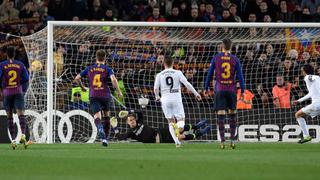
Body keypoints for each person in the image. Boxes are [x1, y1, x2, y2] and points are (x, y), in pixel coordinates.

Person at [74, 49, 123, 147]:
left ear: (96, 57)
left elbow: (77, 78)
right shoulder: (107, 69)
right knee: (107, 117)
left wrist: (82, 87)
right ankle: (105, 140)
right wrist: (118, 91)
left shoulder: (89, 68)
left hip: (94, 95)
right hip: (105, 95)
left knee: (97, 117)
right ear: (105, 58)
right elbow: (114, 80)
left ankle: (100, 130)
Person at [204, 38, 245, 149]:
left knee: (221, 115)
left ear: (222, 46)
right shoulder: (235, 59)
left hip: (220, 89)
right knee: (232, 115)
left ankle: (222, 141)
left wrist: (206, 87)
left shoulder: (216, 58)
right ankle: (232, 140)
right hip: (231, 90)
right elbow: (240, 76)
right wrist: (243, 90)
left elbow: (209, 73)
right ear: (231, 47)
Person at [154, 56, 202, 148]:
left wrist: (157, 96)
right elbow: (187, 84)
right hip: (176, 98)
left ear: (164, 64)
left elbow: (156, 88)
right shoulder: (178, 72)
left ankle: (177, 142)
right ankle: (177, 129)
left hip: (165, 99)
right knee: (181, 121)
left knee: (170, 121)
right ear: (173, 64)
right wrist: (196, 94)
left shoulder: (159, 74)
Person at [116, 110, 211, 143]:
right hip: (160, 140)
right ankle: (199, 134)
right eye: (130, 121)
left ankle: (196, 126)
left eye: (133, 119)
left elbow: (140, 112)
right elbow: (120, 137)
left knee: (178, 129)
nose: (132, 121)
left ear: (135, 120)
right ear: (128, 123)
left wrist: (129, 112)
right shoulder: (131, 133)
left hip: (160, 132)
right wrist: (115, 128)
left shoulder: (139, 122)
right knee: (179, 137)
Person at [0, 46, 29, 150]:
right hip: (18, 91)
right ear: (15, 54)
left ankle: (13, 140)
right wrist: (18, 84)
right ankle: (24, 135)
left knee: (10, 117)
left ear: (6, 54)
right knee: (21, 114)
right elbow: (26, 78)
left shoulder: (2, 65)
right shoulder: (20, 64)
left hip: (7, 92)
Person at [293, 64, 320, 144]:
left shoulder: (307, 77)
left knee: (298, 115)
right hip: (317, 104)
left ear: (305, 71)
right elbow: (311, 93)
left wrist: (316, 77)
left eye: (302, 70)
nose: (301, 72)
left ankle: (306, 136)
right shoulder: (314, 81)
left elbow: (312, 77)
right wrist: (299, 100)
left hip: (317, 104)